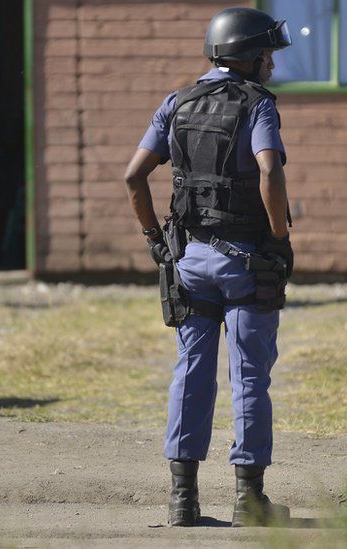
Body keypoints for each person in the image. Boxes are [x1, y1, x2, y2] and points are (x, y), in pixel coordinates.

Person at [124, 7, 295, 527]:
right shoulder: (258, 105)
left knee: (191, 373)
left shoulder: (176, 103)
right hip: (246, 261)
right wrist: (280, 240)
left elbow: (134, 178)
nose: (271, 61)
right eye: (266, 53)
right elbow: (269, 171)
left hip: (189, 261)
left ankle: (183, 500)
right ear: (245, 56)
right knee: (249, 376)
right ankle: (249, 499)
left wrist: (156, 239)